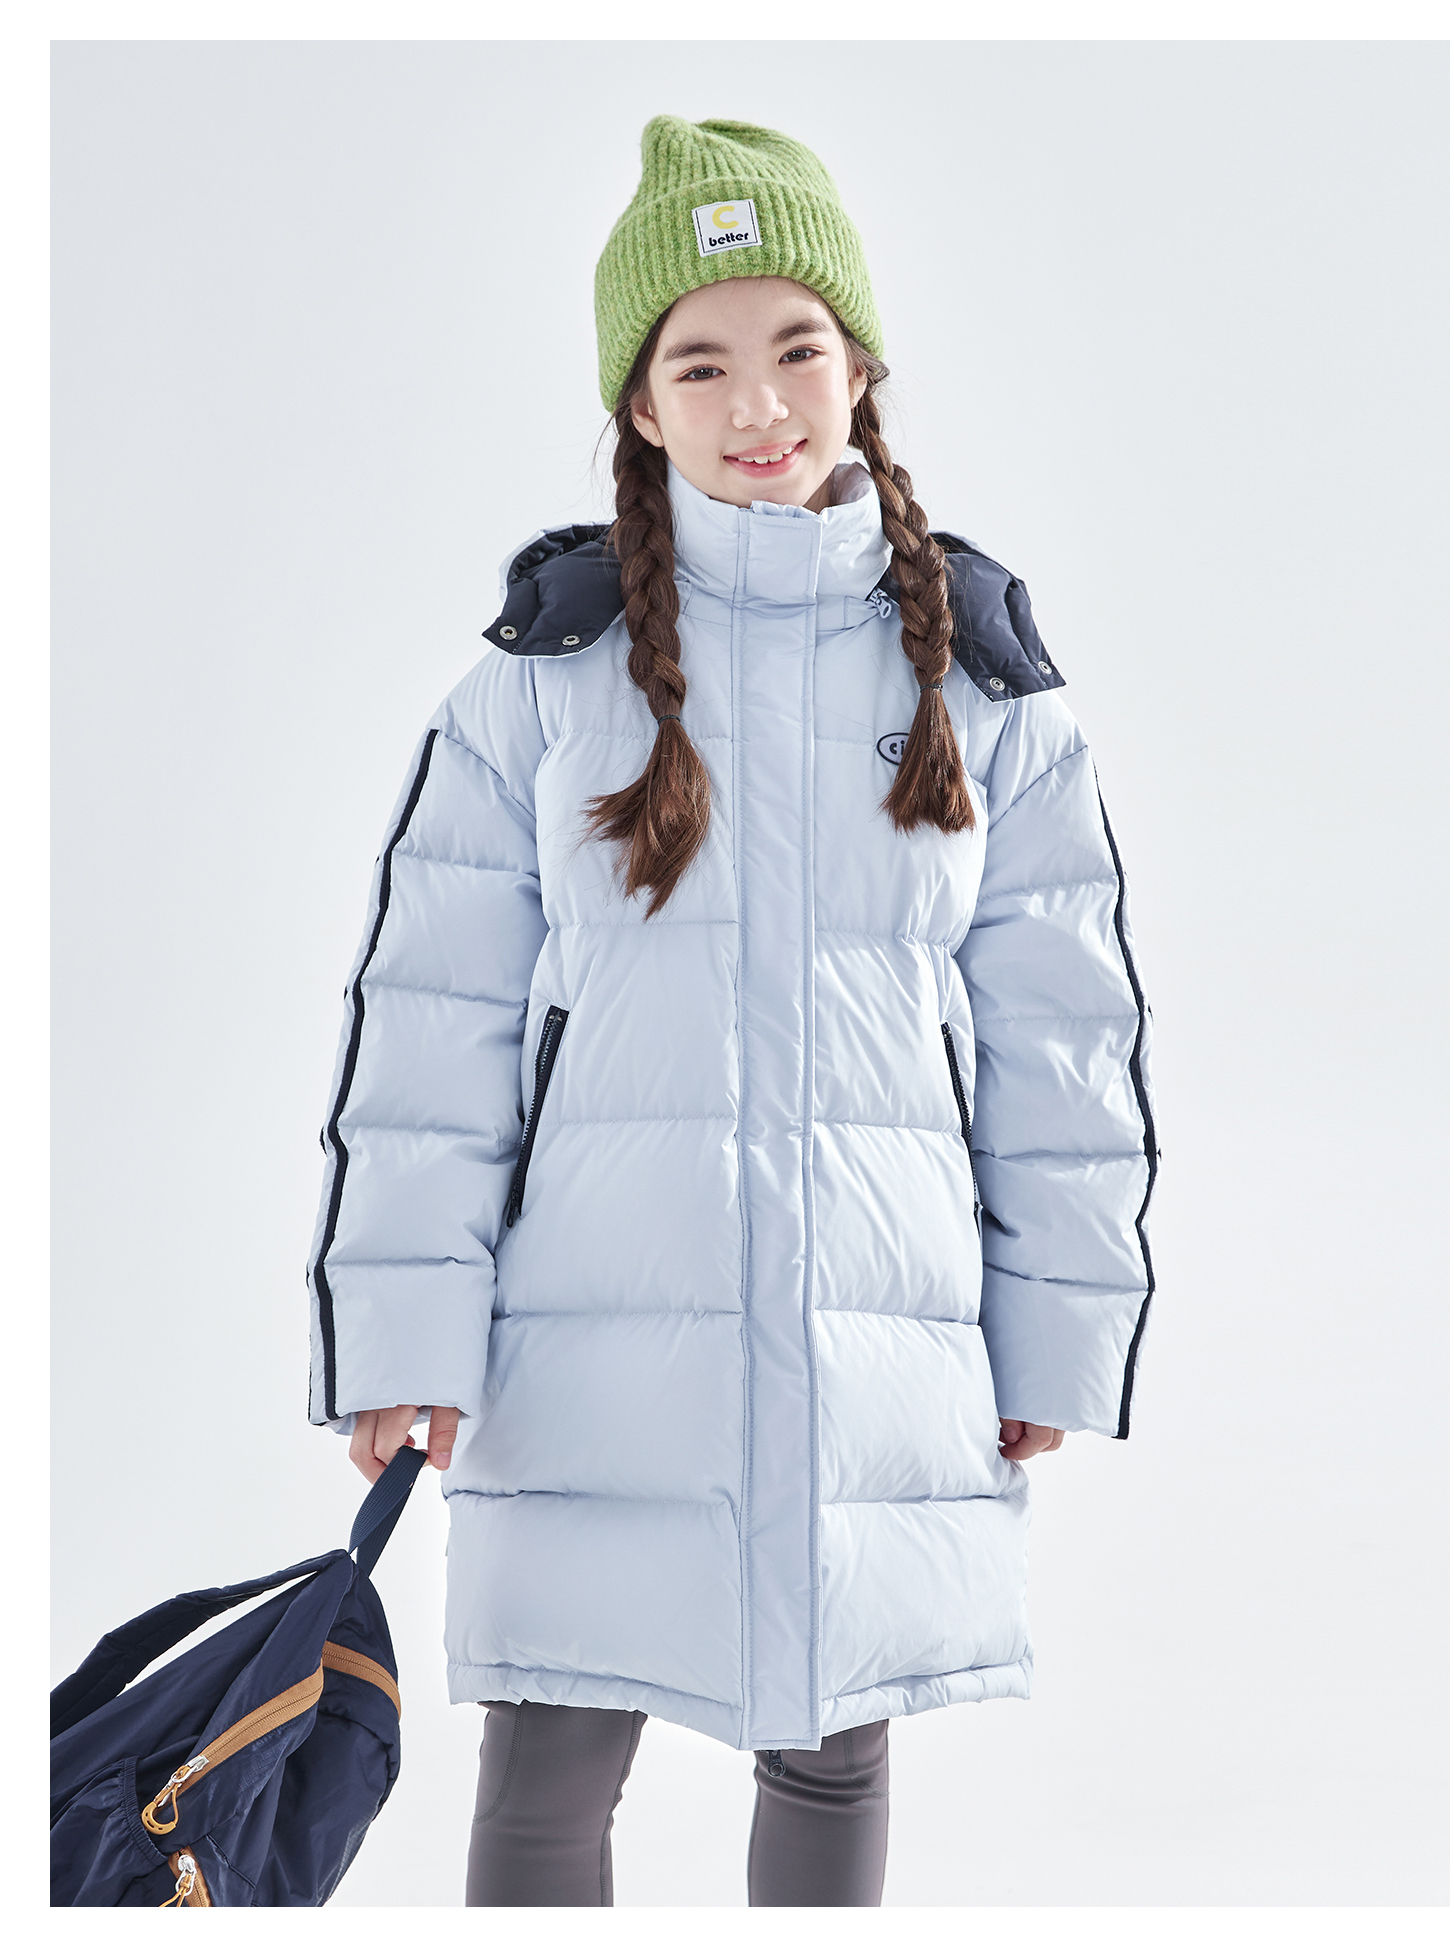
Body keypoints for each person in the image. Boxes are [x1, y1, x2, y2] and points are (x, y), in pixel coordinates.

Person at [305, 114, 1160, 1908]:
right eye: (699, 363)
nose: (759, 402)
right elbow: (433, 1032)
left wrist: (1054, 1330)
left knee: (835, 1753)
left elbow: (1063, 1048)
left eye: (798, 348)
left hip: (878, 1325)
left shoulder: (988, 692)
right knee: (548, 1767)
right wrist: (404, 1332)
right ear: (640, 405)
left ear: (863, 370)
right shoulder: (540, 689)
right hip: (588, 1333)